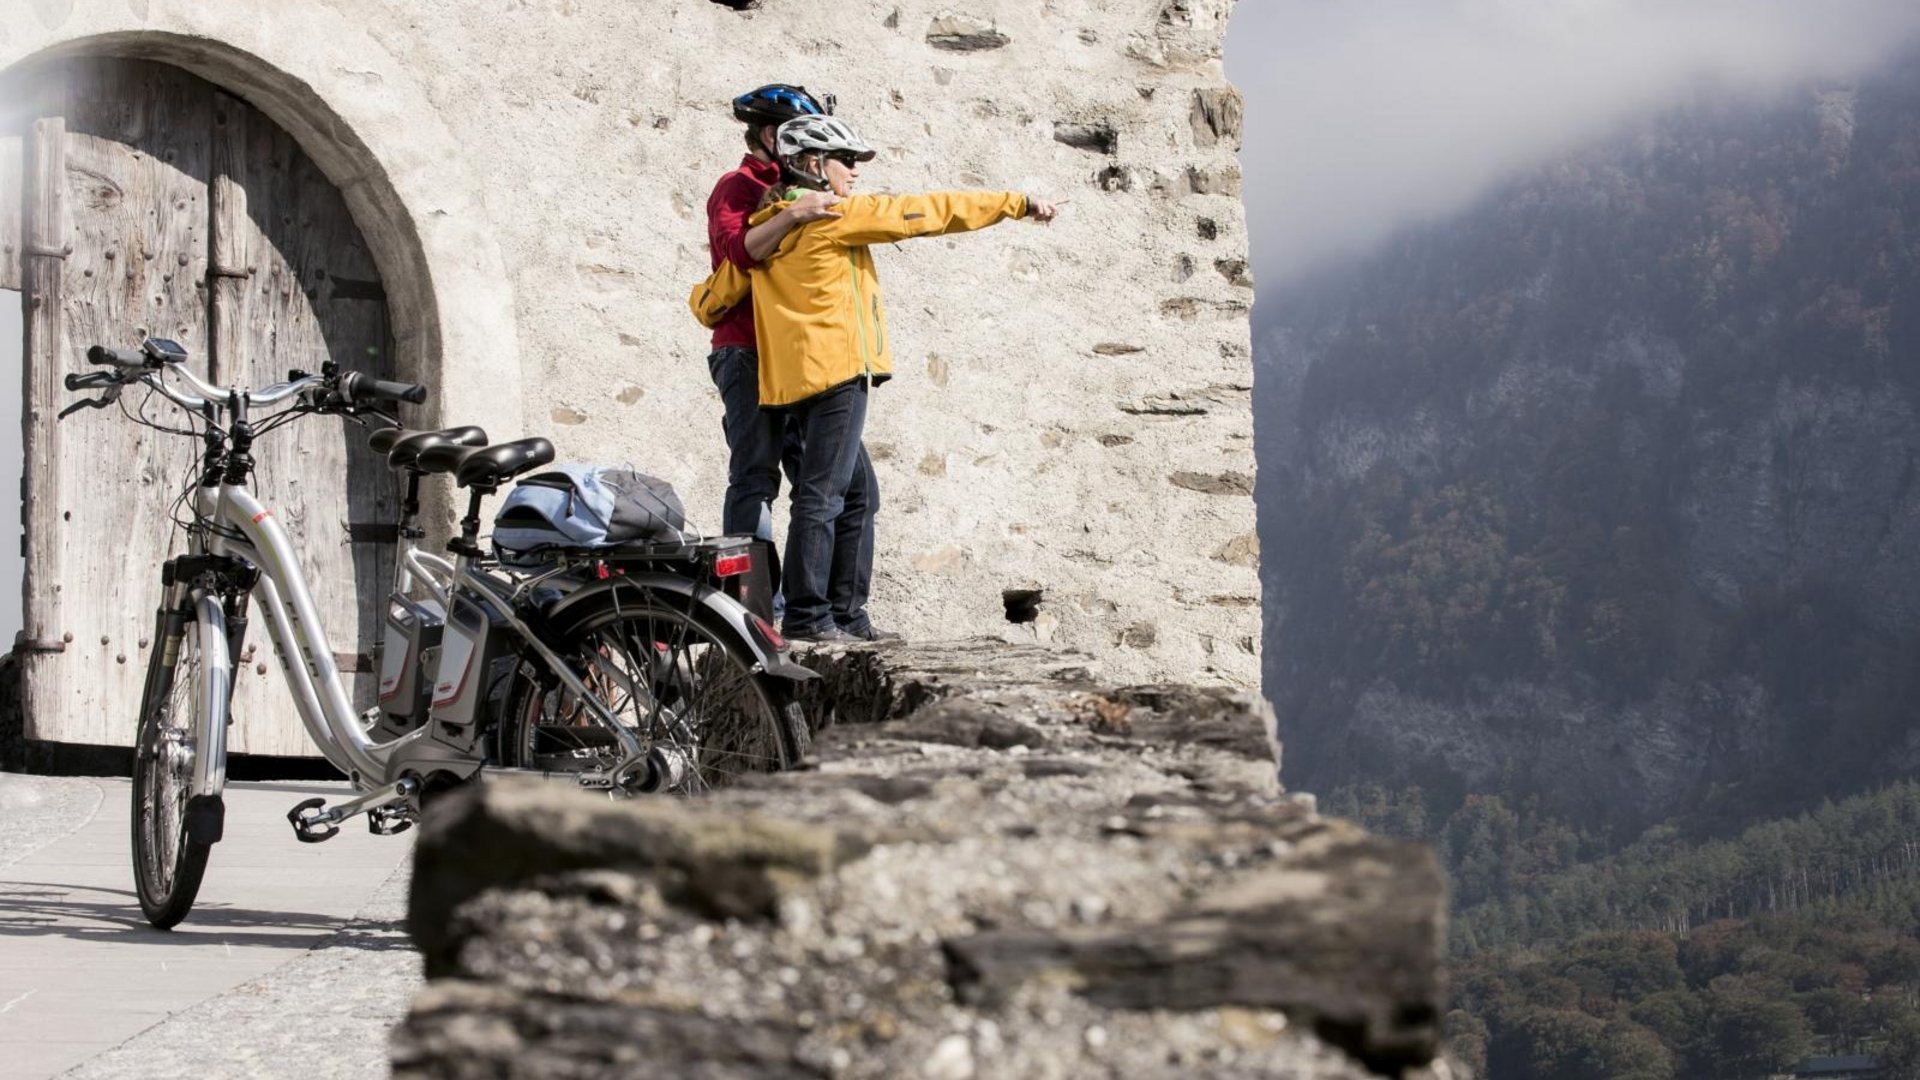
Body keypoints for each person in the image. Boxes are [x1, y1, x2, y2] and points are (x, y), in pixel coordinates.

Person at [690, 115, 1058, 643]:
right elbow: (927, 213)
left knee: (857, 494)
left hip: (797, 379)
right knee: (823, 497)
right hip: (839, 371)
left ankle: (846, 615)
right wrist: (1015, 203)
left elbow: (715, 293)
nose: (857, 172)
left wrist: (710, 304)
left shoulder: (768, 231)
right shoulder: (833, 216)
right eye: (849, 161)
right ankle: (812, 617)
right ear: (815, 165)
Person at [704, 84, 843, 592]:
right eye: (807, 145)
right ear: (771, 135)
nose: (817, 158)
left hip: (791, 355)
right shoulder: (736, 187)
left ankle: (818, 607)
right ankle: (750, 605)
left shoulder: (801, 186)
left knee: (824, 482)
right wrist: (792, 214)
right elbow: (738, 253)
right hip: (746, 350)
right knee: (755, 477)